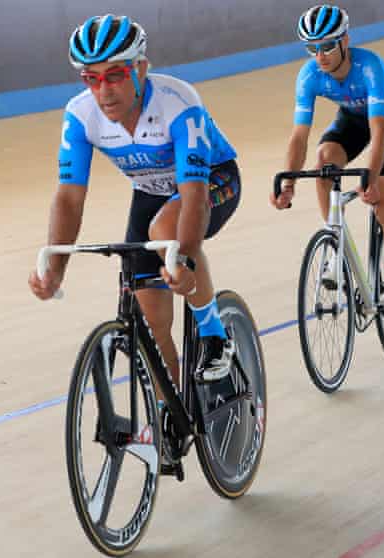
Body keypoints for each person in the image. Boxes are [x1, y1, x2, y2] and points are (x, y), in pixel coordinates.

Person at [28, 14, 242, 386]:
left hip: (213, 180)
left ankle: (214, 335)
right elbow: (68, 199)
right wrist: (56, 269)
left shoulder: (177, 102)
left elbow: (192, 198)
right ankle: (171, 420)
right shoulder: (80, 116)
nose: (103, 90)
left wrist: (186, 262)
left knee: (165, 229)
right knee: (151, 327)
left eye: (115, 75)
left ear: (141, 68)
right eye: (91, 78)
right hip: (151, 192)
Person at [272, 4, 384, 334]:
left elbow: (379, 131)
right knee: (323, 163)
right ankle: (334, 245)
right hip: (352, 121)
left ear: (345, 41)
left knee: (383, 206)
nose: (320, 55)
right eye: (312, 48)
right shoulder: (309, 76)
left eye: (326, 46)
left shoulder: (371, 69)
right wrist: (289, 180)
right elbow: (300, 136)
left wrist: (371, 177)